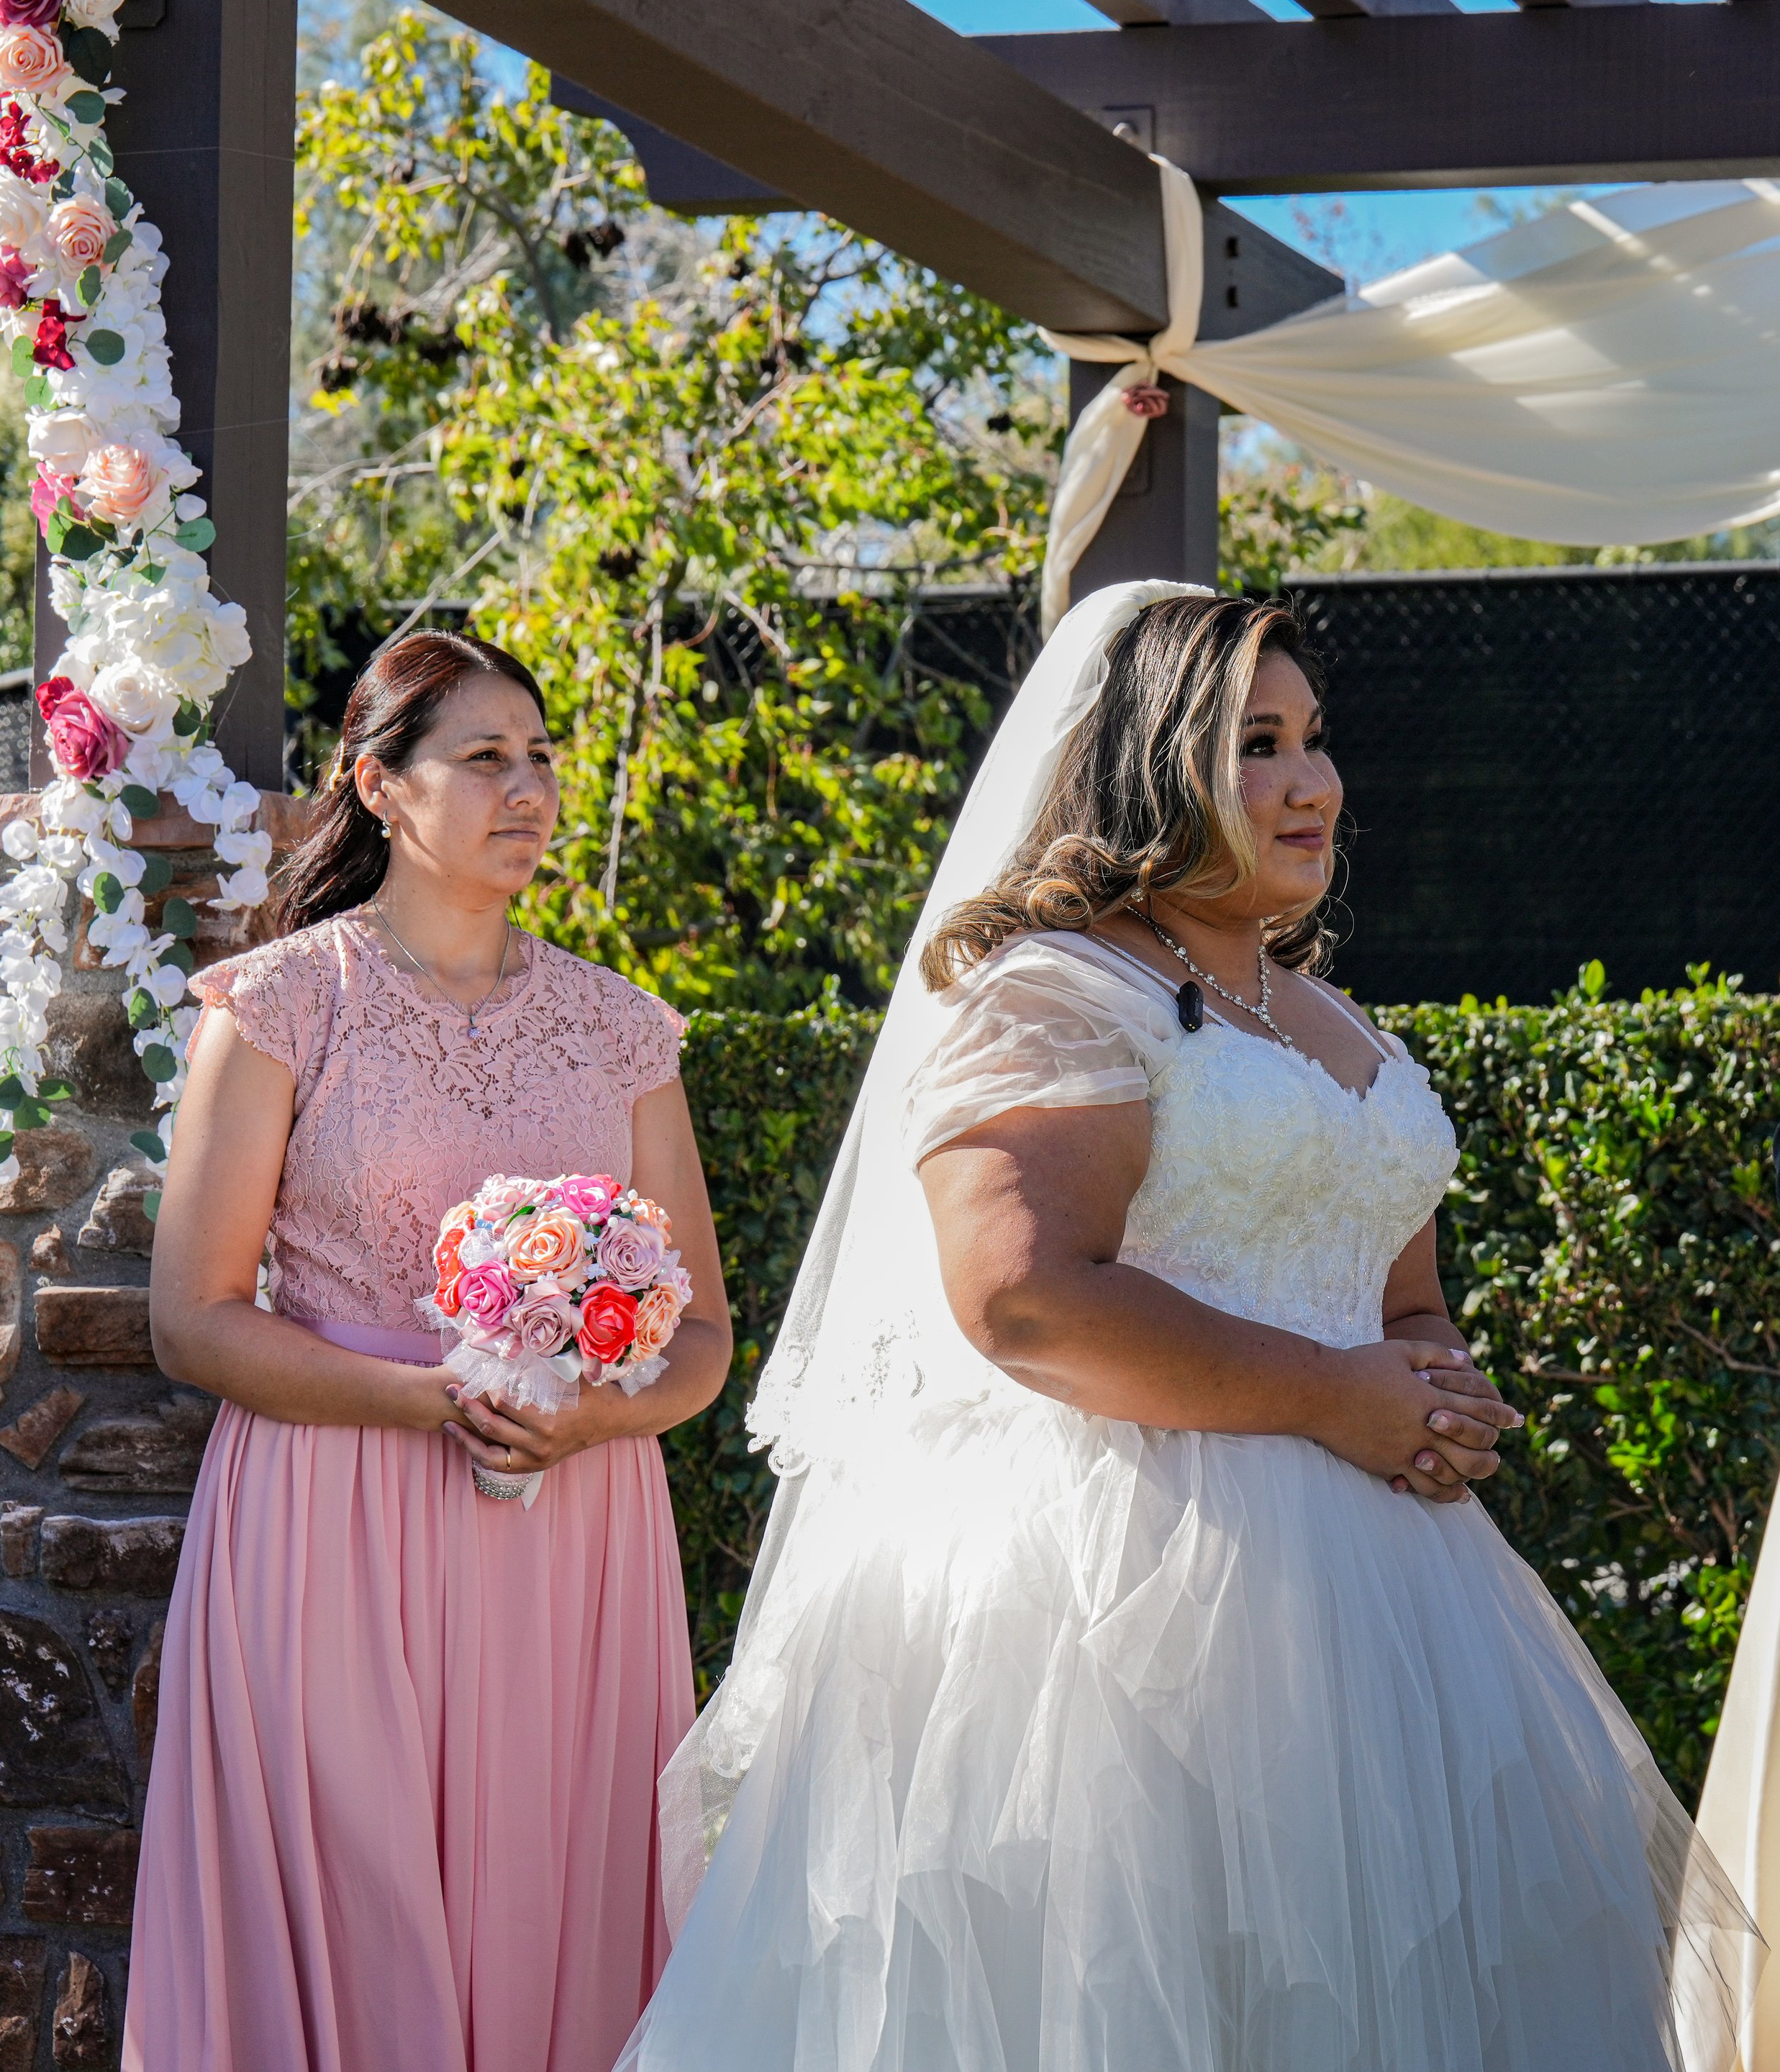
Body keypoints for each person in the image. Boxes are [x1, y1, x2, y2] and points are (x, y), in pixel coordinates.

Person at [621, 584, 1753, 2072]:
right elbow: (1023, 1298)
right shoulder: (1059, 993)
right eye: (1255, 747)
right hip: (1105, 1597)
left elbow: (1395, 1299)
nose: (1311, 783)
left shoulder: (1331, 1020)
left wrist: (1438, 1386)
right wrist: (1331, 1399)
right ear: (1156, 770)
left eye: (1313, 740)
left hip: (1385, 1609)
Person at [124, 630, 732, 2072]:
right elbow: (193, 1317)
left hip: (572, 1531)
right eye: (482, 759)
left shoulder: (620, 1028)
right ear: (379, 787)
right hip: (329, 1518)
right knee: (353, 1899)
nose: (528, 790)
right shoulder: (282, 1005)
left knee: (555, 1893)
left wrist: (591, 1420)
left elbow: (701, 1334)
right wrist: (423, 1396)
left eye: (540, 758)